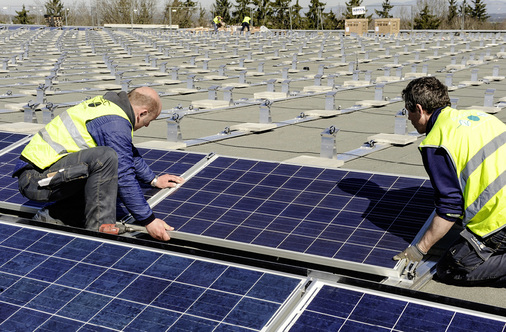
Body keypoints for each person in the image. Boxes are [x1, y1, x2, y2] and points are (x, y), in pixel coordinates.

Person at [12, 87, 184, 241]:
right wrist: (149, 220)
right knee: (107, 160)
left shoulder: (110, 108)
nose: (146, 125)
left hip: (49, 173)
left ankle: (50, 218)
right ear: (143, 113)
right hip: (35, 179)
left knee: (105, 181)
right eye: (150, 120)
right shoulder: (115, 123)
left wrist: (153, 180)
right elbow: (124, 175)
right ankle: (99, 236)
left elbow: (127, 152)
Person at [394, 76, 506, 286]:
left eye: (408, 111)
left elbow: (450, 207)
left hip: (501, 221)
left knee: (450, 268)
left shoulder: (437, 142)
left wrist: (419, 249)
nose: (408, 117)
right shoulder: (480, 117)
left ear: (419, 109)